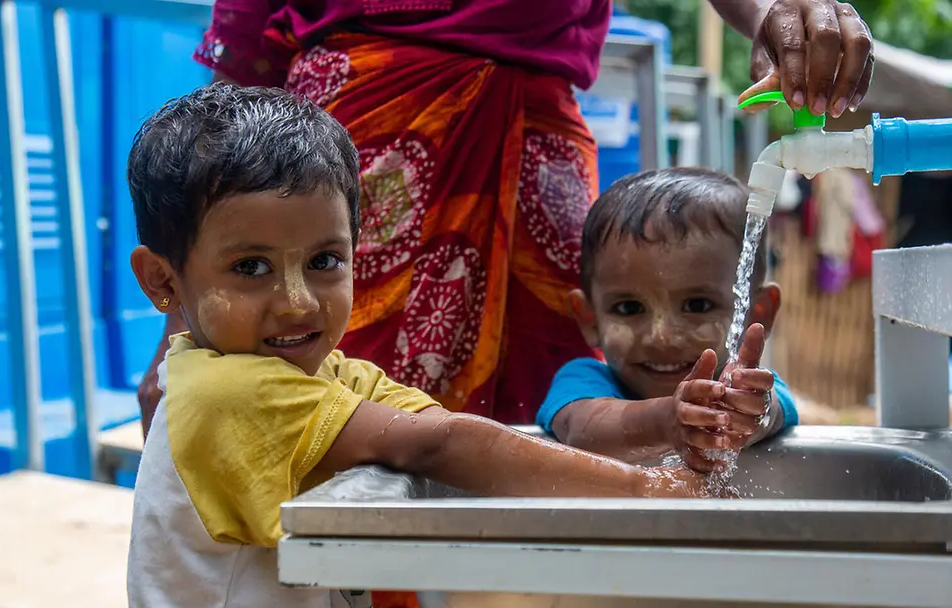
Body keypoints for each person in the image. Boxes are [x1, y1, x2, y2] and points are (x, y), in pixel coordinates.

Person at [136, 0, 874, 435]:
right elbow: (242, 64)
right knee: (319, 420)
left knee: (546, 432)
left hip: (533, 144)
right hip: (357, 145)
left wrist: (777, 11)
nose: (663, 334)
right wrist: (186, 323)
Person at [125, 84, 708, 607]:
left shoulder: (322, 372)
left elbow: (437, 427)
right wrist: (648, 490)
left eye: (324, 261)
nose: (297, 303)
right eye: (251, 267)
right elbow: (437, 444)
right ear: (162, 280)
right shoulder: (225, 392)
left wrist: (665, 424)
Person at [536, 168, 800, 472]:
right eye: (629, 308)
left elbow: (769, 412)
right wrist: (665, 421)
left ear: (758, 311)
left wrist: (748, 414)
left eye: (697, 305)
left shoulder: (749, 387)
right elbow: (581, 429)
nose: (662, 336)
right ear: (590, 319)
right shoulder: (584, 381)